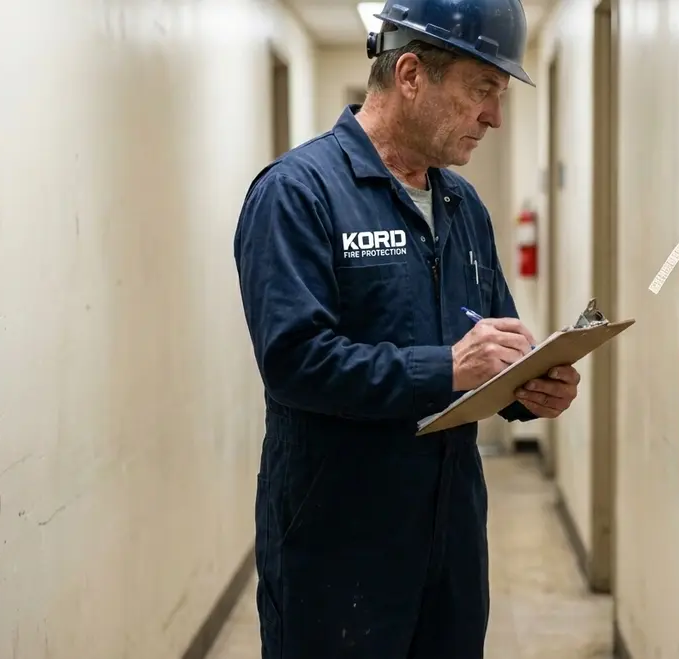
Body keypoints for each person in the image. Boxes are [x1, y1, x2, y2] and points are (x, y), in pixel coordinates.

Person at [232, 0, 582, 656]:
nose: (495, 116)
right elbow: (294, 360)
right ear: (413, 74)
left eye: (499, 94)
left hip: (450, 544)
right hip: (339, 551)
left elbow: (493, 344)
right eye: (483, 90)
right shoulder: (299, 193)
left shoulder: (462, 205)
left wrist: (529, 386)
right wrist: (447, 367)